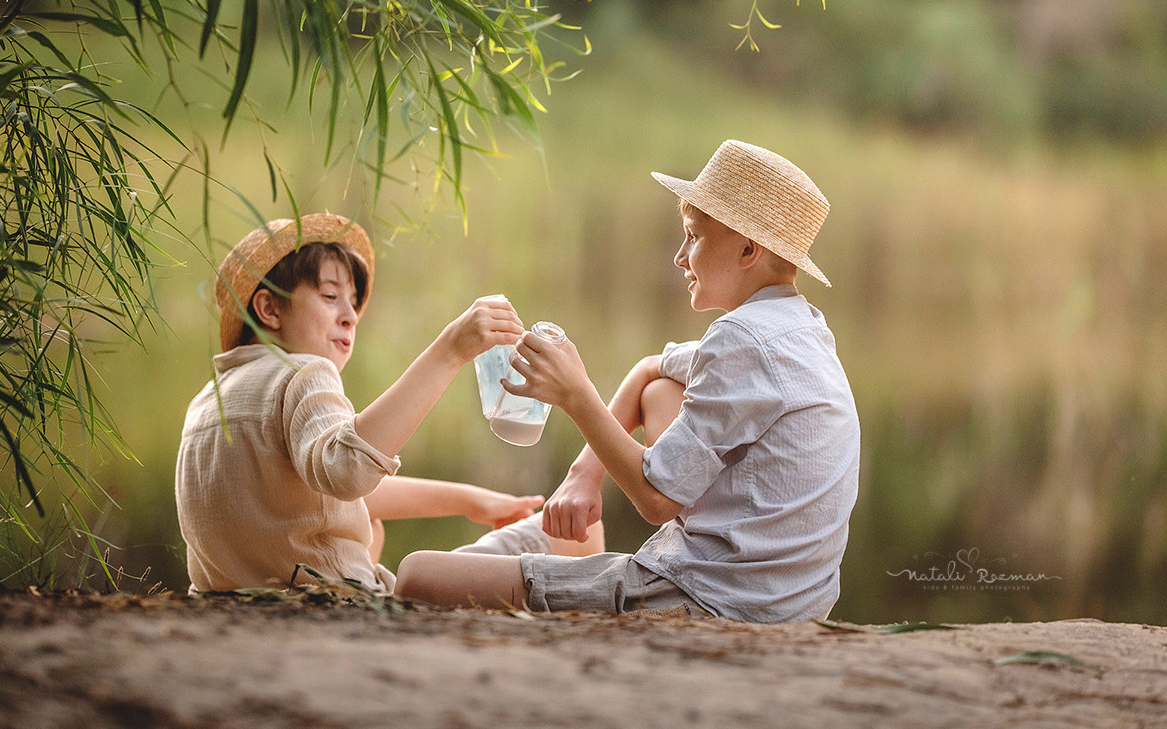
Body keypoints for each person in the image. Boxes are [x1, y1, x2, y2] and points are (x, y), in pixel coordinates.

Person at [394, 140, 860, 622]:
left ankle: (556, 570)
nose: (681, 257)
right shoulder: (802, 329)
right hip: (793, 602)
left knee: (415, 576)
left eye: (693, 237)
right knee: (660, 390)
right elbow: (648, 370)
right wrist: (583, 476)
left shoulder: (740, 338)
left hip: (715, 601)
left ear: (748, 249)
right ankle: (550, 560)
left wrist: (575, 395)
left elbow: (656, 502)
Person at [175, 212, 601, 595]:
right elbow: (347, 472)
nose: (350, 315)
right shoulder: (303, 372)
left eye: (354, 303)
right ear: (269, 308)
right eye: (329, 297)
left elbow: (311, 496)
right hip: (328, 603)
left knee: (370, 528)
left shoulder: (210, 400)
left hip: (232, 600)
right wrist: (449, 350)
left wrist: (472, 501)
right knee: (578, 530)